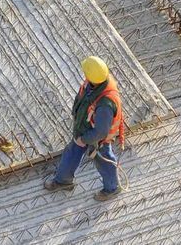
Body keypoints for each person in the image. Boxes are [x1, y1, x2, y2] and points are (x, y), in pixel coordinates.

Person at [44, 56, 126, 201]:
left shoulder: (106, 103)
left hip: (97, 139)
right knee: (71, 152)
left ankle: (112, 188)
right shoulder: (93, 83)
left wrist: (85, 139)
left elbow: (101, 131)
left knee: (104, 161)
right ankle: (63, 181)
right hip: (84, 130)